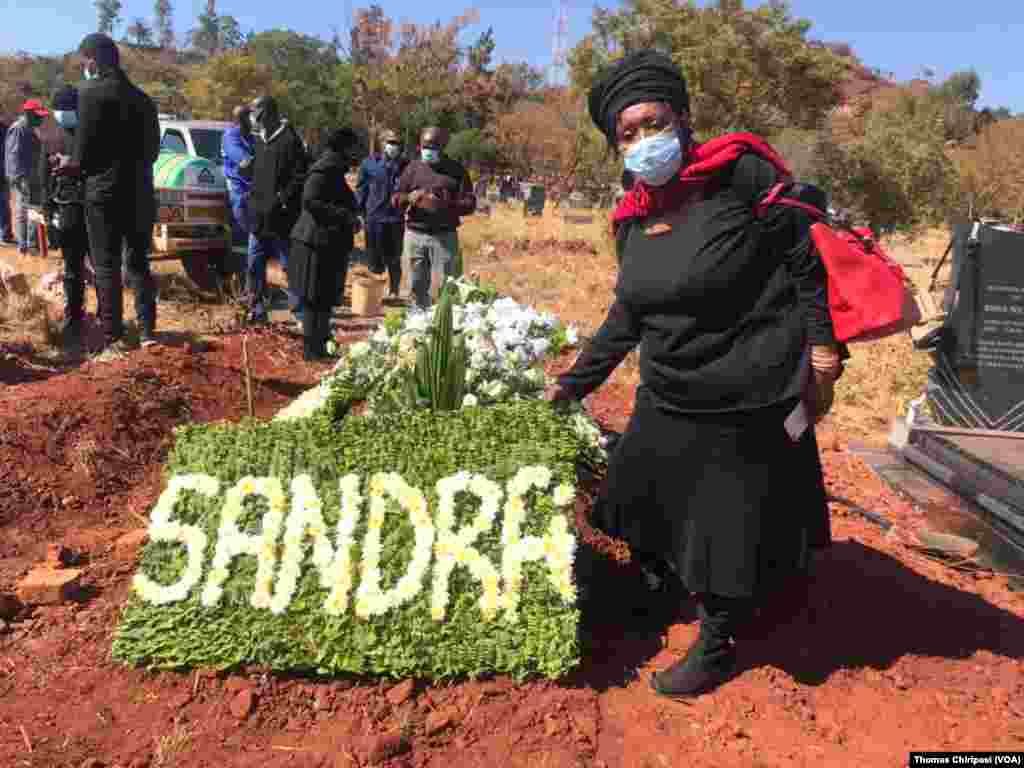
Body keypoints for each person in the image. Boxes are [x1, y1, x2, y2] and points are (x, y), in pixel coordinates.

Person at [546, 51, 843, 699]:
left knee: (724, 527)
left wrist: (822, 348)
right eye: (626, 134)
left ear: (681, 118)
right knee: (632, 491)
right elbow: (627, 312)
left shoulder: (741, 173)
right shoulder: (634, 213)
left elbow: (802, 257)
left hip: (747, 388)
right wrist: (574, 382)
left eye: (652, 123)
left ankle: (717, 638)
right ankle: (658, 591)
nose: (642, 141)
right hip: (672, 382)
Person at [54, 33, 160, 358]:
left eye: (84, 61)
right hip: (140, 191)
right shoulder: (144, 99)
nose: (84, 68)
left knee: (106, 264)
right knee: (139, 262)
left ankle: (113, 338)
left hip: (103, 192)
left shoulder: (88, 93)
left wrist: (66, 164)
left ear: (94, 60)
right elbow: (154, 151)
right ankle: (146, 333)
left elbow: (83, 156)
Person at [289, 127, 361, 360]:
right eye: (353, 148)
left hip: (326, 243)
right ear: (344, 148)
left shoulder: (335, 168)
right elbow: (311, 201)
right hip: (314, 242)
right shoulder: (324, 169)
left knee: (323, 299)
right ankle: (312, 350)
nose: (356, 153)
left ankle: (320, 345)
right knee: (314, 298)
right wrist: (345, 216)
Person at [393, 126, 475, 309]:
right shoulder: (412, 168)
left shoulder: (456, 171)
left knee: (446, 286)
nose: (427, 151)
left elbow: (470, 204)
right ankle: (416, 323)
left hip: (444, 237)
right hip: (414, 235)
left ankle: (442, 326)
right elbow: (396, 198)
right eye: (424, 146)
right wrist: (410, 198)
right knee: (414, 284)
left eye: (432, 147)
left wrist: (445, 205)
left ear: (442, 146)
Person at [245, 95, 309, 325]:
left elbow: (300, 176)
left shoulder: (290, 140)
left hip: (282, 217)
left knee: (289, 266)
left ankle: (301, 315)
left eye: (257, 113)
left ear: (268, 113)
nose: (254, 118)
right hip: (259, 217)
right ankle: (257, 310)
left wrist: (282, 198)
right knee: (254, 263)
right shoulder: (259, 139)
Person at [42, 85, 92, 352]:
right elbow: (44, 175)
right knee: (73, 268)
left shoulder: (89, 133)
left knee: (100, 268)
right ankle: (75, 318)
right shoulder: (53, 136)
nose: (62, 114)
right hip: (69, 207)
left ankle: (102, 321)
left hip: (89, 208)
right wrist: (48, 210)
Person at [356, 128, 407, 298]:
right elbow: (361, 190)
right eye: (391, 142)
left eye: (398, 143)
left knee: (394, 257)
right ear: (382, 143)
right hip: (374, 219)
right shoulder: (369, 164)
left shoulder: (406, 165)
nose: (395, 146)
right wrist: (358, 213)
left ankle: (394, 290)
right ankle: (373, 291)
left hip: (395, 219)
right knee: (373, 259)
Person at [5, 100, 48, 255]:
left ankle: (30, 245)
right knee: (28, 210)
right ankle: (29, 245)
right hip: (24, 177)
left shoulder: (30, 128)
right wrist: (21, 178)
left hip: (31, 176)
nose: (41, 119)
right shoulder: (19, 128)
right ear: (29, 114)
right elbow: (13, 155)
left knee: (29, 209)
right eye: (39, 116)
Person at [222, 105, 255, 247]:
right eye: (248, 117)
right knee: (241, 227)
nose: (252, 120)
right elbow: (243, 161)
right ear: (241, 119)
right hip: (238, 188)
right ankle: (240, 265)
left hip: (253, 188)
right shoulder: (231, 136)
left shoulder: (252, 137)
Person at [0, 117, 14, 244]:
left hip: (3, 172)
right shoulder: (6, 129)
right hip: (4, 171)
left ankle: (5, 234)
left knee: (3, 203)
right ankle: (5, 233)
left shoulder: (6, 129)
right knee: (3, 203)